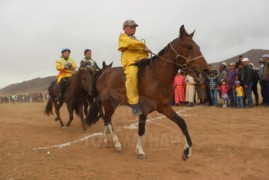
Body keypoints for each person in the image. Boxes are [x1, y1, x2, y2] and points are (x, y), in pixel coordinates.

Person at [118, 20, 151, 115]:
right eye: (131, 27)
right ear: (124, 28)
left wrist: (146, 51)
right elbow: (130, 44)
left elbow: (139, 48)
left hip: (143, 61)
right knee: (132, 75)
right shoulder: (122, 37)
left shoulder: (137, 40)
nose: (133, 29)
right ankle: (134, 104)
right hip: (131, 62)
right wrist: (144, 46)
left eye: (134, 27)